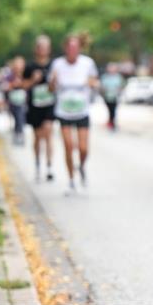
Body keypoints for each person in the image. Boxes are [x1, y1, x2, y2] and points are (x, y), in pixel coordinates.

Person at [49, 34, 99, 194]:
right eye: (70, 47)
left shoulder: (87, 63)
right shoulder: (57, 64)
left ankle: (82, 166)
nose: (72, 50)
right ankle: (71, 181)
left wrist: (91, 83)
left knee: (83, 148)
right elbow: (50, 89)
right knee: (68, 146)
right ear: (65, 48)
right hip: (63, 111)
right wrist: (53, 81)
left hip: (82, 110)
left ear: (79, 48)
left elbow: (95, 81)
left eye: (75, 47)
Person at [23, 36, 56, 182]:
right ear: (36, 49)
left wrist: (54, 83)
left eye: (46, 47)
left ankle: (49, 167)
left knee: (48, 133)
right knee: (37, 137)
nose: (43, 50)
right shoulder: (30, 67)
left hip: (49, 105)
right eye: (40, 47)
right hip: (35, 106)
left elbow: (57, 86)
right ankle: (37, 164)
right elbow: (23, 86)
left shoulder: (54, 66)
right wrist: (33, 80)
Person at [4, 56, 28, 146]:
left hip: (22, 101)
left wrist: (21, 84)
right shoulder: (10, 76)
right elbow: (5, 87)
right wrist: (13, 84)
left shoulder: (25, 75)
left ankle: (20, 133)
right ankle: (18, 133)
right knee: (17, 117)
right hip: (13, 101)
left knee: (20, 117)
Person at [100, 63, 124, 131]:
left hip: (115, 97)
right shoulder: (105, 77)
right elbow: (102, 87)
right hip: (107, 97)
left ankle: (112, 122)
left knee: (113, 110)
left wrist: (118, 90)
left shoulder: (118, 77)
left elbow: (121, 86)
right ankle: (110, 121)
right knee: (109, 110)